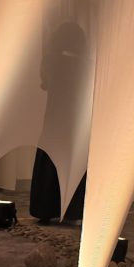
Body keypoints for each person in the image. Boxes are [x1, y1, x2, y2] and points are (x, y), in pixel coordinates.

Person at [30, 21, 89, 224]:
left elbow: (45, 83)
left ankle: (45, 209)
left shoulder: (52, 61)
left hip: (55, 119)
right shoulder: (86, 64)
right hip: (76, 122)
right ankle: (72, 211)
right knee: (73, 163)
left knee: (50, 162)